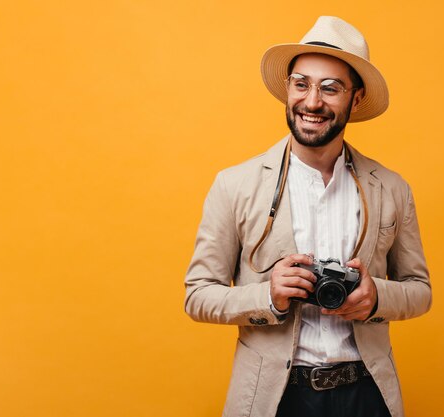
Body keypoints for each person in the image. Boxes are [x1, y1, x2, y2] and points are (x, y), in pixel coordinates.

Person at [184, 16, 431, 417]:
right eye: (302, 84)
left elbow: (420, 289)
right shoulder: (235, 185)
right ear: (288, 89)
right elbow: (197, 295)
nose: (312, 102)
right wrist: (268, 295)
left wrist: (376, 297)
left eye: (330, 88)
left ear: (355, 97)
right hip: (274, 399)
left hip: (365, 394)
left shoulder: (391, 188)